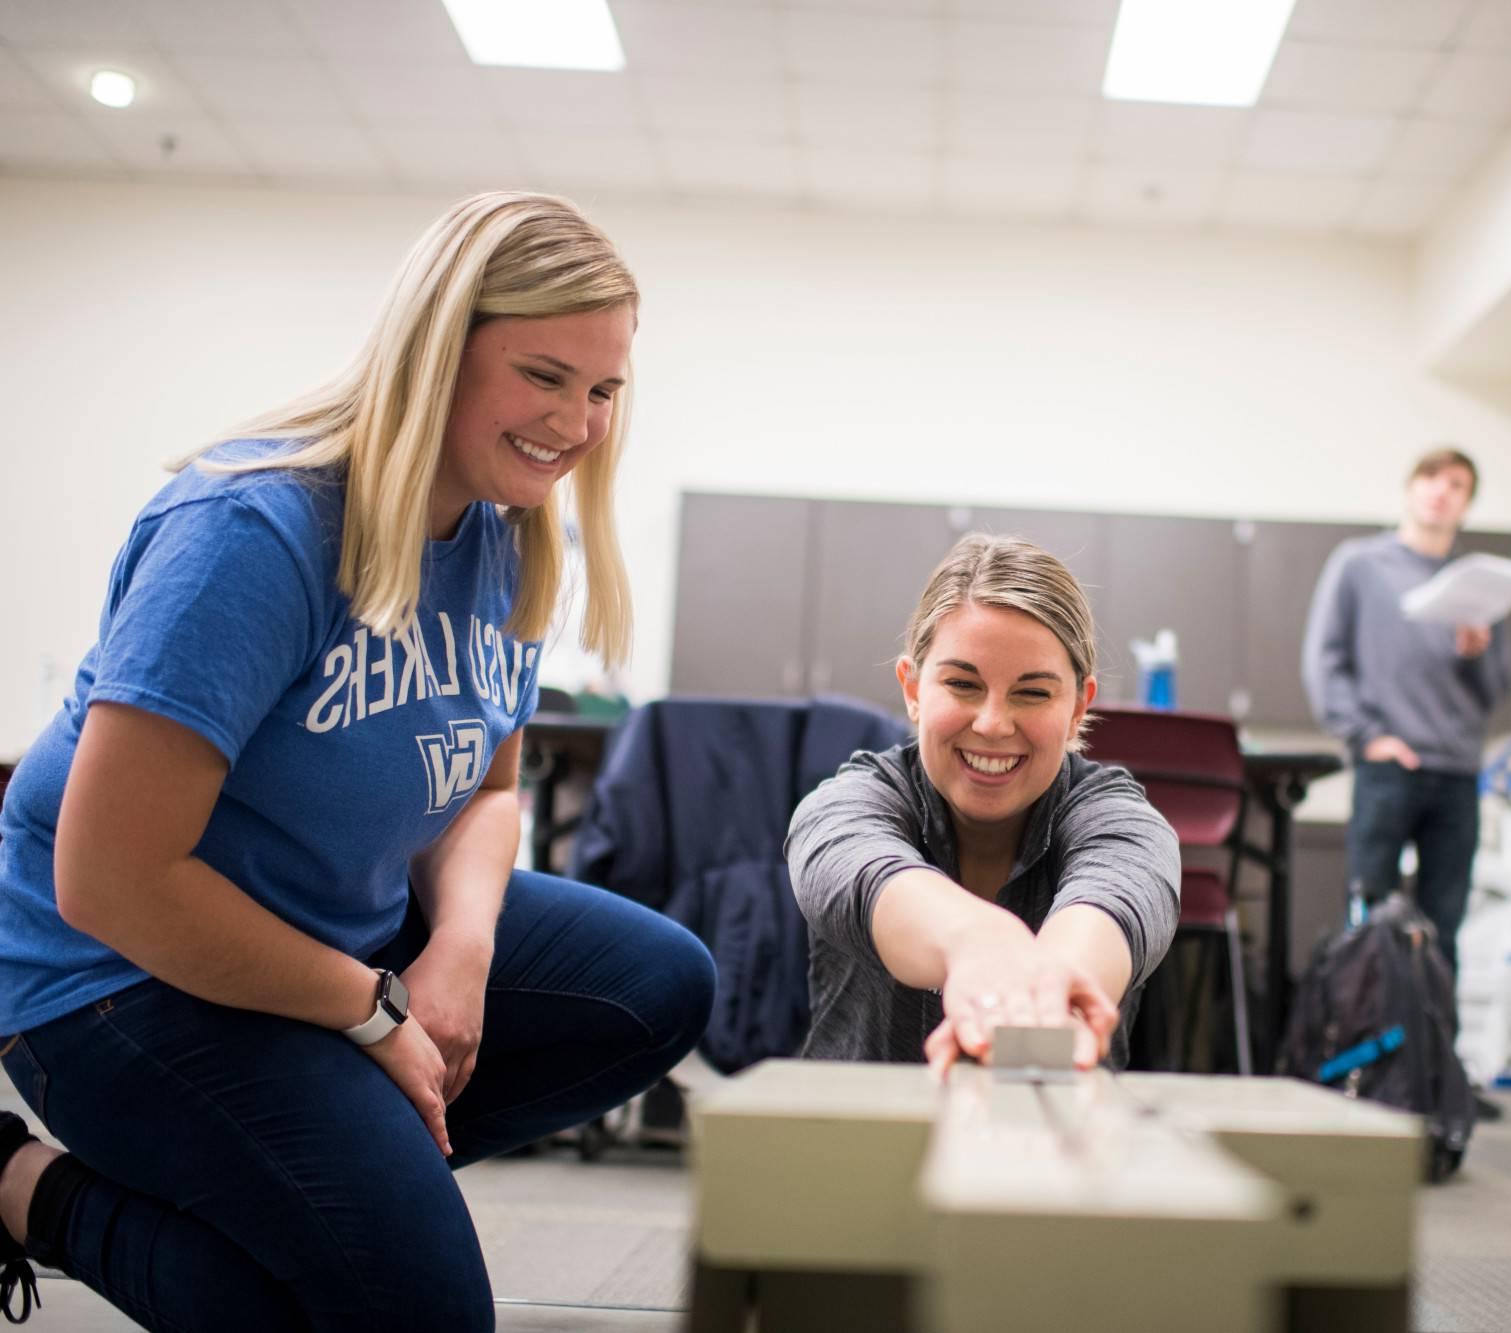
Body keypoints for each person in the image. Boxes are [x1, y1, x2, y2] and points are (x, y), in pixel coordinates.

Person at [0, 192, 716, 1330]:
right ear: (438, 349)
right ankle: (24, 1191)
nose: (576, 423)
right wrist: (371, 1011)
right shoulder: (254, 528)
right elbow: (110, 877)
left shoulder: (514, 528)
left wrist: (463, 953)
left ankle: (311, 1190)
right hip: (112, 974)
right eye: (544, 376)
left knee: (660, 981)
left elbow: (484, 787)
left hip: (325, 933)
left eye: (602, 389)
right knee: (414, 1316)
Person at [787, 534, 1181, 1073]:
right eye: (962, 684)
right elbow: (856, 865)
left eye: (1033, 692)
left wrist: (1044, 997)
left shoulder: (1121, 823)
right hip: (864, 1144)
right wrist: (981, 942)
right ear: (913, 688)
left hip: (1053, 1143)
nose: (993, 724)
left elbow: (1115, 904)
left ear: (1078, 707)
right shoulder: (849, 805)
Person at [1301, 447, 1511, 970]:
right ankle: (1368, 1047)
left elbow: (1495, 692)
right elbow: (1323, 661)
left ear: (1467, 504)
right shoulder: (1359, 564)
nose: (1442, 491)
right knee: (1370, 921)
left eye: (1457, 485)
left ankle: (1435, 1050)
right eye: (1432, 478)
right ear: (1411, 487)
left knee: (1446, 930)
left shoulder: (1480, 582)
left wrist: (1476, 654)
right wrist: (1367, 736)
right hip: (1388, 766)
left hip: (1458, 772)